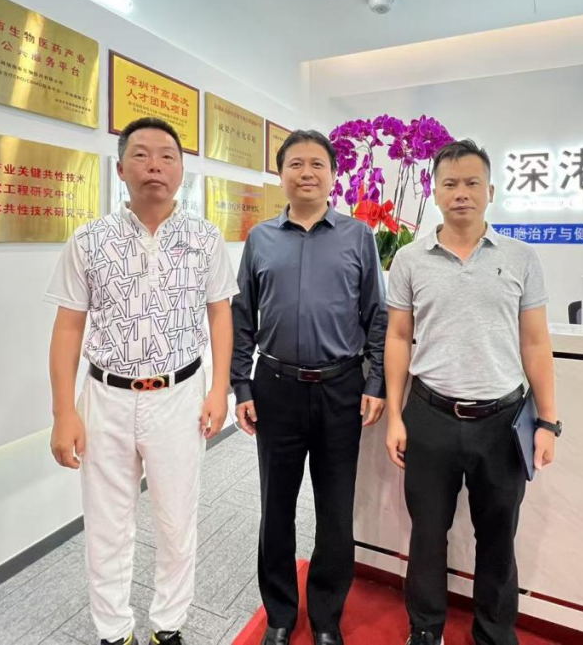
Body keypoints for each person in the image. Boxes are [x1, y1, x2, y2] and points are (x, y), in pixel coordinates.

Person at [45, 117, 238, 645]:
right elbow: (67, 328)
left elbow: (221, 314)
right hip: (105, 397)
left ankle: (168, 624)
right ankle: (113, 630)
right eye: (142, 154)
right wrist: (64, 411)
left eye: (167, 156)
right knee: (107, 522)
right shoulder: (90, 240)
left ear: (181, 170)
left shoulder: (203, 238)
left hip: (180, 396)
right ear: (121, 168)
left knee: (176, 520)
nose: (155, 165)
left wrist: (219, 388)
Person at [383, 139, 561, 645]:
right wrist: (395, 416)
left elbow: (536, 341)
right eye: (450, 184)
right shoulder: (410, 259)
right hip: (429, 415)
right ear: (435, 191)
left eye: (471, 183)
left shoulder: (521, 258)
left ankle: (494, 633)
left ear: (490, 191)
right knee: (427, 534)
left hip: (502, 423)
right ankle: (426, 629)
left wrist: (548, 421)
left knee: (498, 537)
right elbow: (397, 337)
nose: (461, 192)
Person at [231, 129, 388, 645]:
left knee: (335, 508)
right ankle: (280, 613)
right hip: (275, 387)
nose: (306, 173)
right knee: (275, 507)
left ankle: (325, 616)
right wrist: (241, 386)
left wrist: (375, 380)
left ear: (333, 175)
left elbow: (377, 315)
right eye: (295, 163)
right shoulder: (260, 239)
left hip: (341, 388)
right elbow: (242, 316)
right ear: (281, 174)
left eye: (317, 164)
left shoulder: (359, 236)